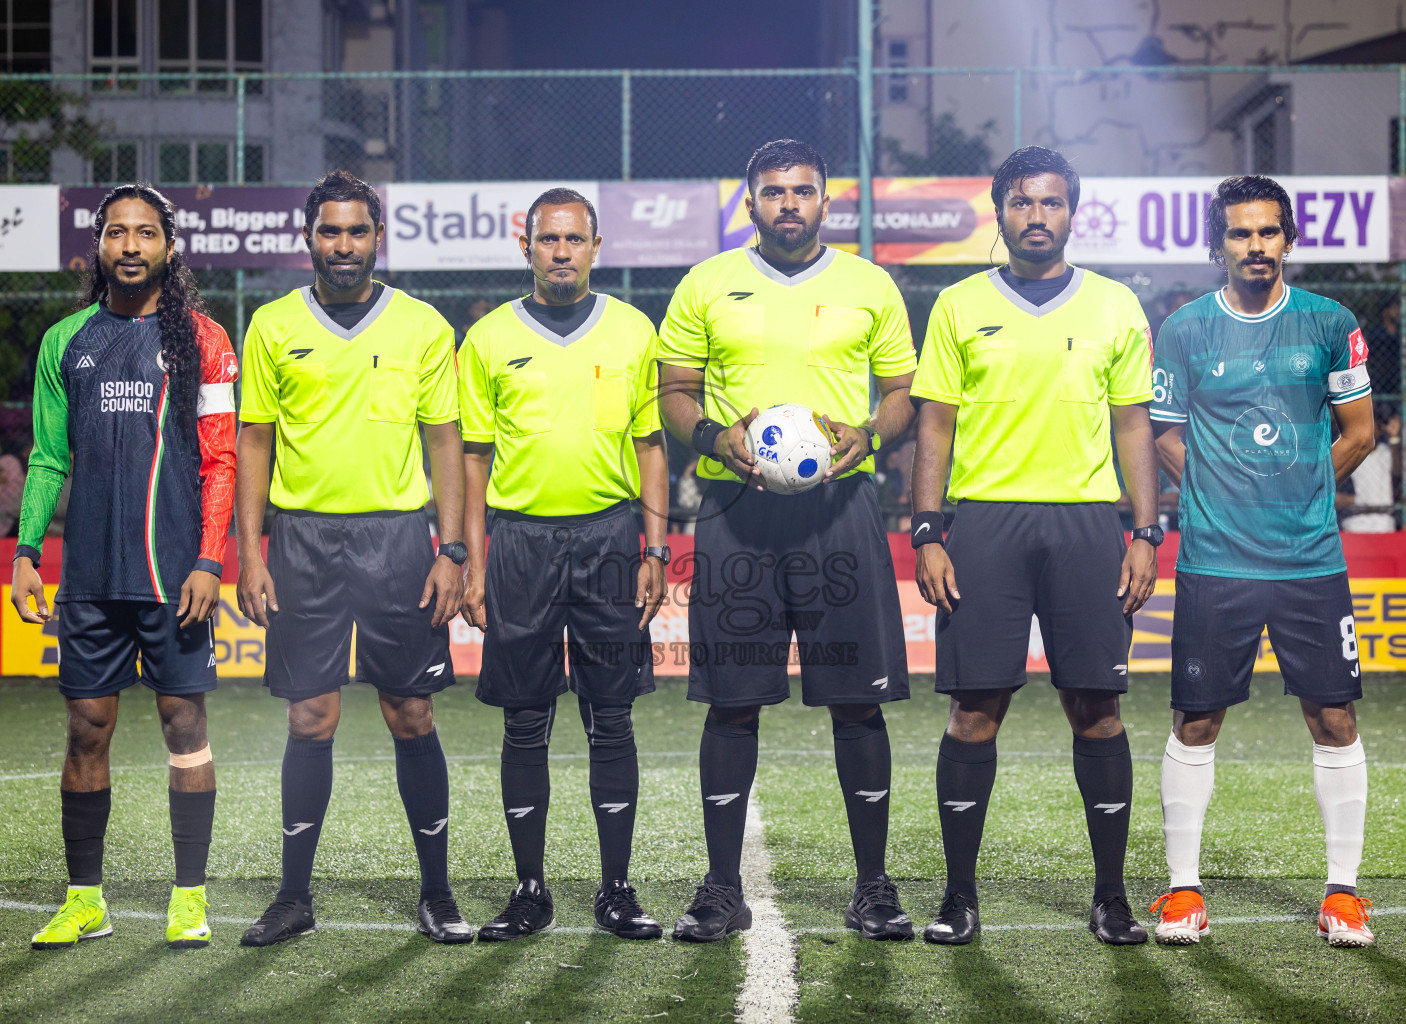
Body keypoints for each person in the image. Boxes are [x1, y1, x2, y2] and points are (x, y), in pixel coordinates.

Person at [658, 139, 919, 942]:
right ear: (750, 203)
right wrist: (709, 438)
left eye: (802, 191)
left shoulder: (869, 285)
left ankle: (873, 886)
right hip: (738, 514)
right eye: (773, 192)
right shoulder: (707, 282)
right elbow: (673, 391)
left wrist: (869, 435)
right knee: (731, 705)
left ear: (826, 202)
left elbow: (905, 392)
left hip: (840, 513)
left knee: (857, 702)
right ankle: (721, 888)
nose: (788, 204)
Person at [910, 146, 1159, 947]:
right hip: (983, 524)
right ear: (998, 210)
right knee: (974, 710)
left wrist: (1146, 532)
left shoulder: (1117, 305)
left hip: (1087, 523)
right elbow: (935, 425)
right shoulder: (957, 304)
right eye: (1021, 203)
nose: (1036, 216)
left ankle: (1112, 896)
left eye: (1050, 203)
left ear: (1072, 212)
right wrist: (927, 530)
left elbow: (1133, 427)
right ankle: (957, 897)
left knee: (1096, 708)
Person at [235, 170, 472, 947]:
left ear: (378, 237)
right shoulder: (271, 324)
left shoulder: (423, 327)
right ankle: (293, 895)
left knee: (411, 712)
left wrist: (453, 549)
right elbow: (255, 440)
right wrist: (250, 551)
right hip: (301, 540)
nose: (343, 245)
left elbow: (446, 443)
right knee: (311, 716)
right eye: (330, 231)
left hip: (399, 541)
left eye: (357, 231)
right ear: (308, 237)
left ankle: (437, 893)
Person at [1147, 175, 1378, 948]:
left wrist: (1299, 490)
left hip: (1309, 558)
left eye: (1268, 232)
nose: (1256, 246)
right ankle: (1183, 891)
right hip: (1216, 560)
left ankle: (1342, 894)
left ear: (1287, 239)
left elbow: (1359, 431)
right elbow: (1166, 435)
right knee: (1197, 717)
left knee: (1334, 716)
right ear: (1218, 245)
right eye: (1241, 234)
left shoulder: (1329, 323)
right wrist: (1221, 490)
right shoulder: (1183, 330)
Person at [9, 183, 238, 951]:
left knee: (185, 728)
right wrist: (26, 551)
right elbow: (46, 458)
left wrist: (210, 559)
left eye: (146, 234)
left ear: (170, 248)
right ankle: (86, 901)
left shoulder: (202, 339)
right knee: (85, 732)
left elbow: (220, 460)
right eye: (117, 233)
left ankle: (189, 896)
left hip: (176, 580)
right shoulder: (64, 341)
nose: (131, 246)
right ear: (98, 248)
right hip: (92, 581)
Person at [458, 187, 669, 942]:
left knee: (610, 718)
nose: (561, 251)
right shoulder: (485, 339)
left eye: (574, 239)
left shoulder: (634, 331)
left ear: (596, 246)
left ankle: (616, 889)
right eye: (549, 239)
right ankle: (529, 890)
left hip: (612, 539)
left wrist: (655, 547)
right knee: (525, 722)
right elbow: (473, 459)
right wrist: (473, 563)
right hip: (520, 544)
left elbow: (652, 447)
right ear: (527, 246)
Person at [1339, 405, 1395, 534]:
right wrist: (1355, 500)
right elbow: (1333, 493)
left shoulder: (1385, 451)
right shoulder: (1347, 454)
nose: (1370, 430)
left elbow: (1398, 473)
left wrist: (1394, 438)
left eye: (1373, 425)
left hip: (1384, 521)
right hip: (1357, 521)